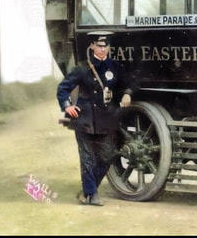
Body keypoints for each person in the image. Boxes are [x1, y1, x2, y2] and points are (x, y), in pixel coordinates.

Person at [56, 32, 137, 206]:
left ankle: (88, 190)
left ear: (109, 47)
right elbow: (63, 88)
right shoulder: (82, 67)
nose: (102, 49)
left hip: (107, 119)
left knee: (109, 156)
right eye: (99, 46)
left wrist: (128, 94)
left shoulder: (114, 67)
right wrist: (67, 105)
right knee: (87, 158)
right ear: (92, 46)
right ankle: (91, 194)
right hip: (84, 119)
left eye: (105, 46)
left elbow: (131, 82)